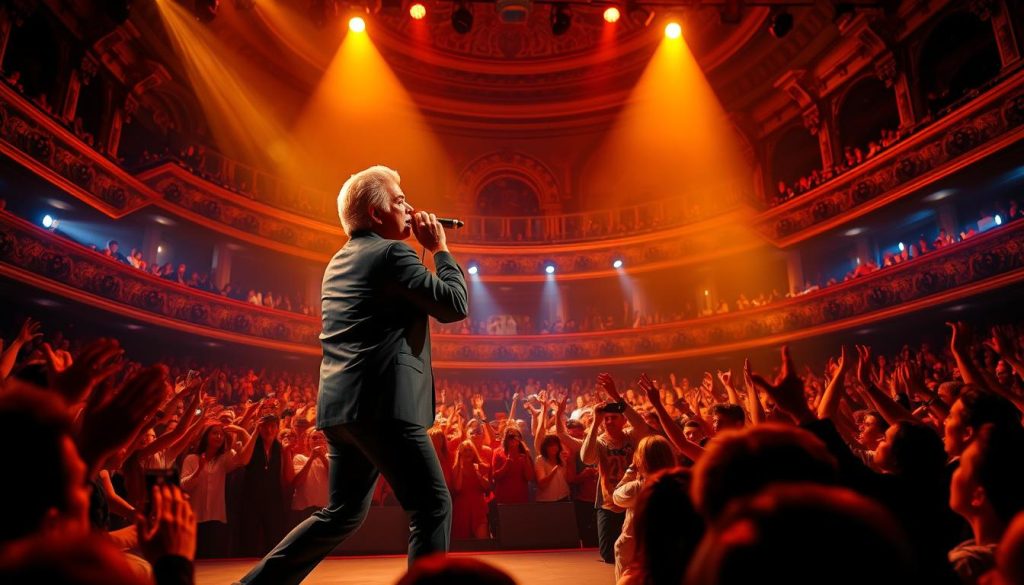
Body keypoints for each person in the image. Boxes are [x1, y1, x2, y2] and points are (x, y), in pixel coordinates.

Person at [236, 165, 468, 585]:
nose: (410, 207)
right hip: (384, 406)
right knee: (432, 506)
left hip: (343, 407)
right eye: (400, 201)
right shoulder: (391, 253)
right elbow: (454, 304)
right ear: (377, 214)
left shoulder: (340, 260)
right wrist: (441, 249)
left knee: (342, 513)